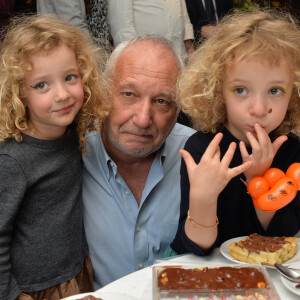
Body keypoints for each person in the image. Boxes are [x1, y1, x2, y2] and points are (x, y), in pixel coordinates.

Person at [169, 10, 300, 257]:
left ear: (293, 94)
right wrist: (202, 199)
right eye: (241, 90)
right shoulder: (204, 150)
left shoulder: (292, 152)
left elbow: (284, 236)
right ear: (218, 92)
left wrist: (259, 180)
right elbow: (198, 247)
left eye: (275, 90)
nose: (259, 109)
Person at [0, 15, 109, 300]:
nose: (62, 94)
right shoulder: (13, 161)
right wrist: (11, 294)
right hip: (34, 289)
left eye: (70, 77)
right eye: (41, 85)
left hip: (78, 272)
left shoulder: (74, 132)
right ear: (19, 94)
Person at [82, 35, 196, 288]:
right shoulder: (73, 153)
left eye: (161, 101)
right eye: (129, 94)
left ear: (179, 108)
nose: (143, 119)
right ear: (103, 91)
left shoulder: (199, 155)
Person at [107, 0, 194, 59]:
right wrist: (135, 58)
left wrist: (188, 46)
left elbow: (183, 13)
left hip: (179, 53)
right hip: (146, 60)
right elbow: (121, 26)